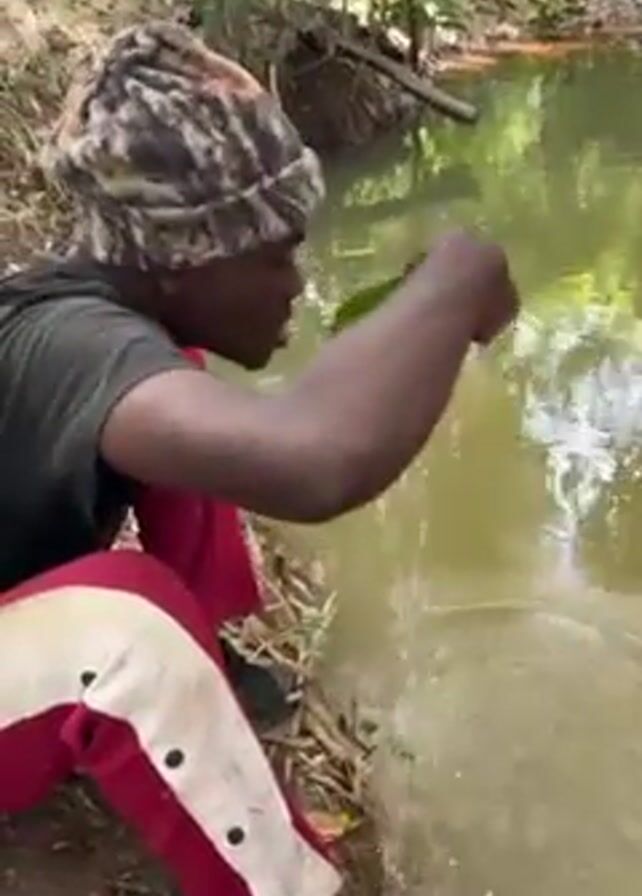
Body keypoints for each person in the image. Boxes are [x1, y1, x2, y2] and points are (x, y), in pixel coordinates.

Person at [0, 20, 518, 896]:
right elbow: (317, 462)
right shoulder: (69, 346)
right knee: (125, 631)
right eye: (276, 254)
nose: (299, 284)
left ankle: (215, 654)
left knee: (185, 386)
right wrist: (454, 284)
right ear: (181, 257)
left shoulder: (105, 318)